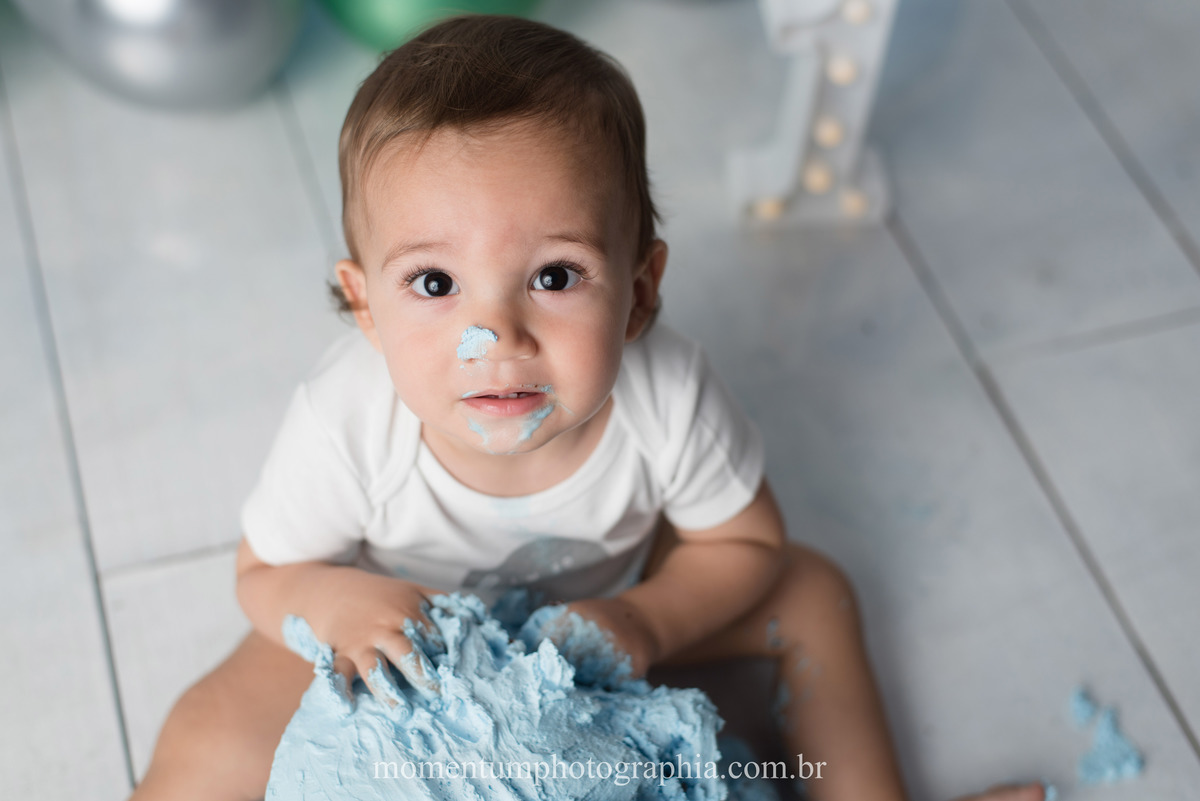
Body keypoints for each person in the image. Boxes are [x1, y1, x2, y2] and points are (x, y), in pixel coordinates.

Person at [130, 15, 1045, 801]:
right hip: (410, 641)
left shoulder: (669, 397)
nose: (495, 334)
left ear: (640, 292)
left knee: (813, 590)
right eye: (435, 282)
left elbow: (747, 544)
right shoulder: (347, 419)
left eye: (555, 276)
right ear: (364, 302)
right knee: (208, 727)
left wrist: (651, 618)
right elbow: (264, 571)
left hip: (601, 623)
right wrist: (337, 604)